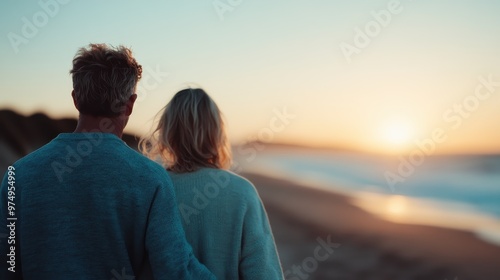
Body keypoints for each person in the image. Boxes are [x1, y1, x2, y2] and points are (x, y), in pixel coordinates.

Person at [0, 44, 215, 280]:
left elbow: (7, 265)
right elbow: (174, 269)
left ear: (76, 99)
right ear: (130, 104)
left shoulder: (17, 176)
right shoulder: (150, 178)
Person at [140, 88, 284, 279]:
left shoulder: (151, 190)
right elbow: (263, 274)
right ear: (216, 133)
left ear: (167, 131)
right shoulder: (242, 193)